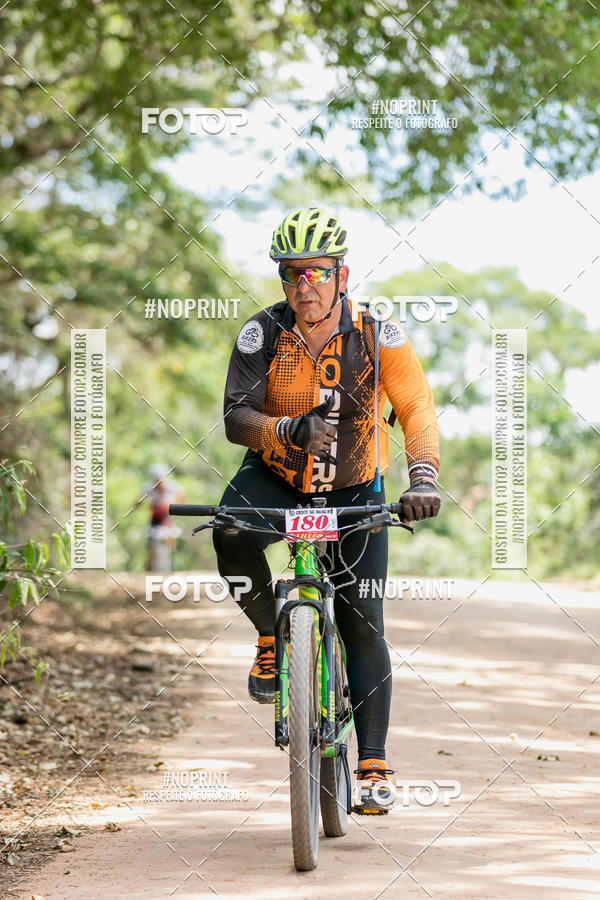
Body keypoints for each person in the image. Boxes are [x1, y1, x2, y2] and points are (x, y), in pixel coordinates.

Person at [214, 207, 441, 813]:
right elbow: (237, 417)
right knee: (230, 529)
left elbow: (415, 408)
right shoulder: (262, 334)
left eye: (315, 273)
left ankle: (372, 761)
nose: (302, 288)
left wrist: (422, 475)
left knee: (363, 619)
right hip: (279, 475)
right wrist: (287, 428)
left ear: (342, 275)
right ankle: (270, 633)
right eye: (291, 275)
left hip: (355, 485)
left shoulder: (377, 333)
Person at [144, 463, 185, 571]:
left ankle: (171, 565)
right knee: (151, 545)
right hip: (155, 519)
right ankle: (149, 570)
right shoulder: (148, 488)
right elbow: (139, 501)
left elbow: (182, 498)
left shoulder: (172, 487)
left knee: (170, 540)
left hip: (168, 518)